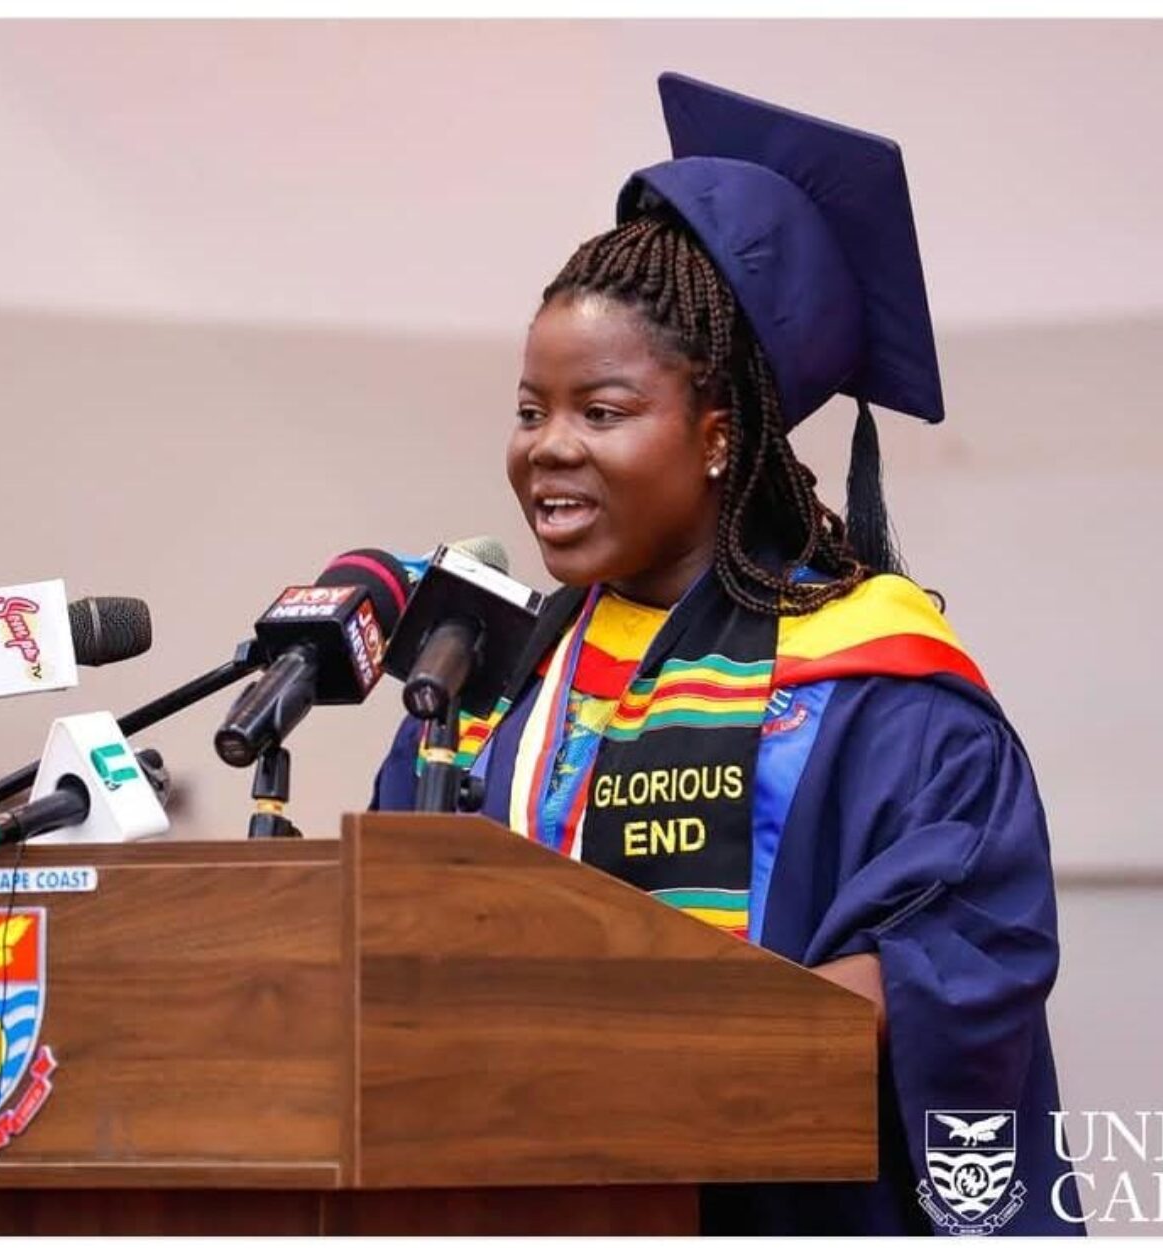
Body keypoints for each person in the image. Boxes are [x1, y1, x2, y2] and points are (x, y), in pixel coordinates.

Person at [372, 73, 1081, 1236]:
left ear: (716, 434)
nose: (548, 449)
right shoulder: (490, 684)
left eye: (599, 411)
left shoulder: (879, 686)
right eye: (529, 408)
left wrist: (643, 1073)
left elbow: (954, 964)